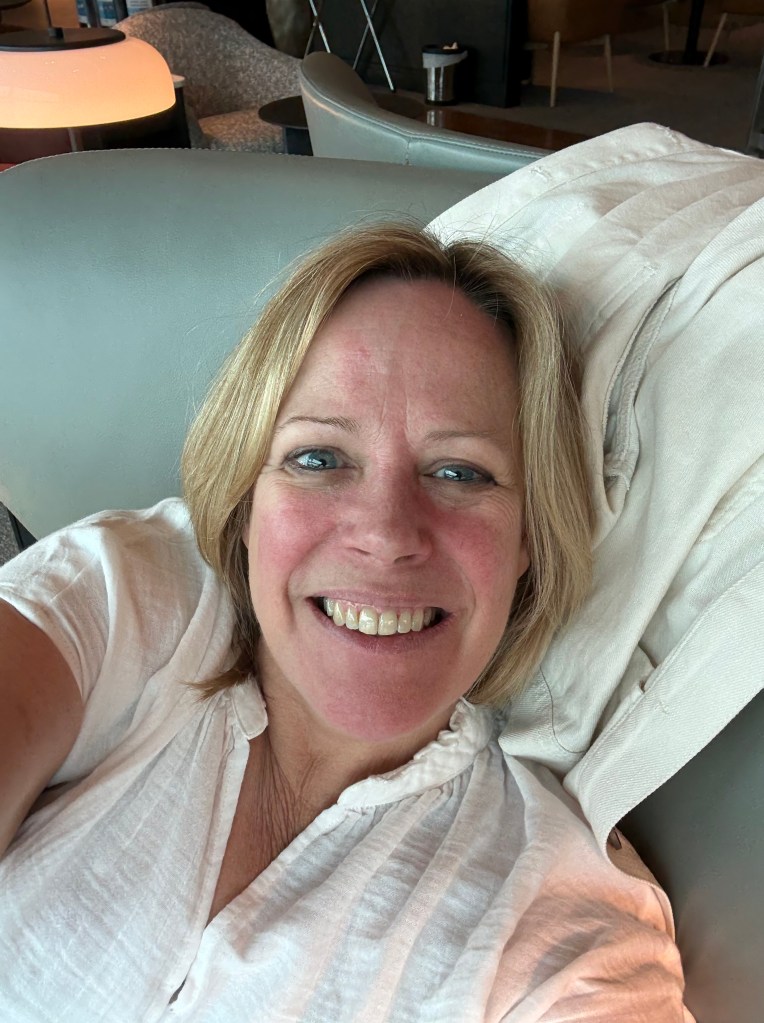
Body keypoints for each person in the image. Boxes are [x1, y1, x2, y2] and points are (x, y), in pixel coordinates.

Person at [0, 223, 692, 1021]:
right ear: (247, 496)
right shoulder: (132, 596)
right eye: (319, 458)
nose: (387, 533)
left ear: (528, 537)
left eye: (459, 471)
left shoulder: (557, 927)